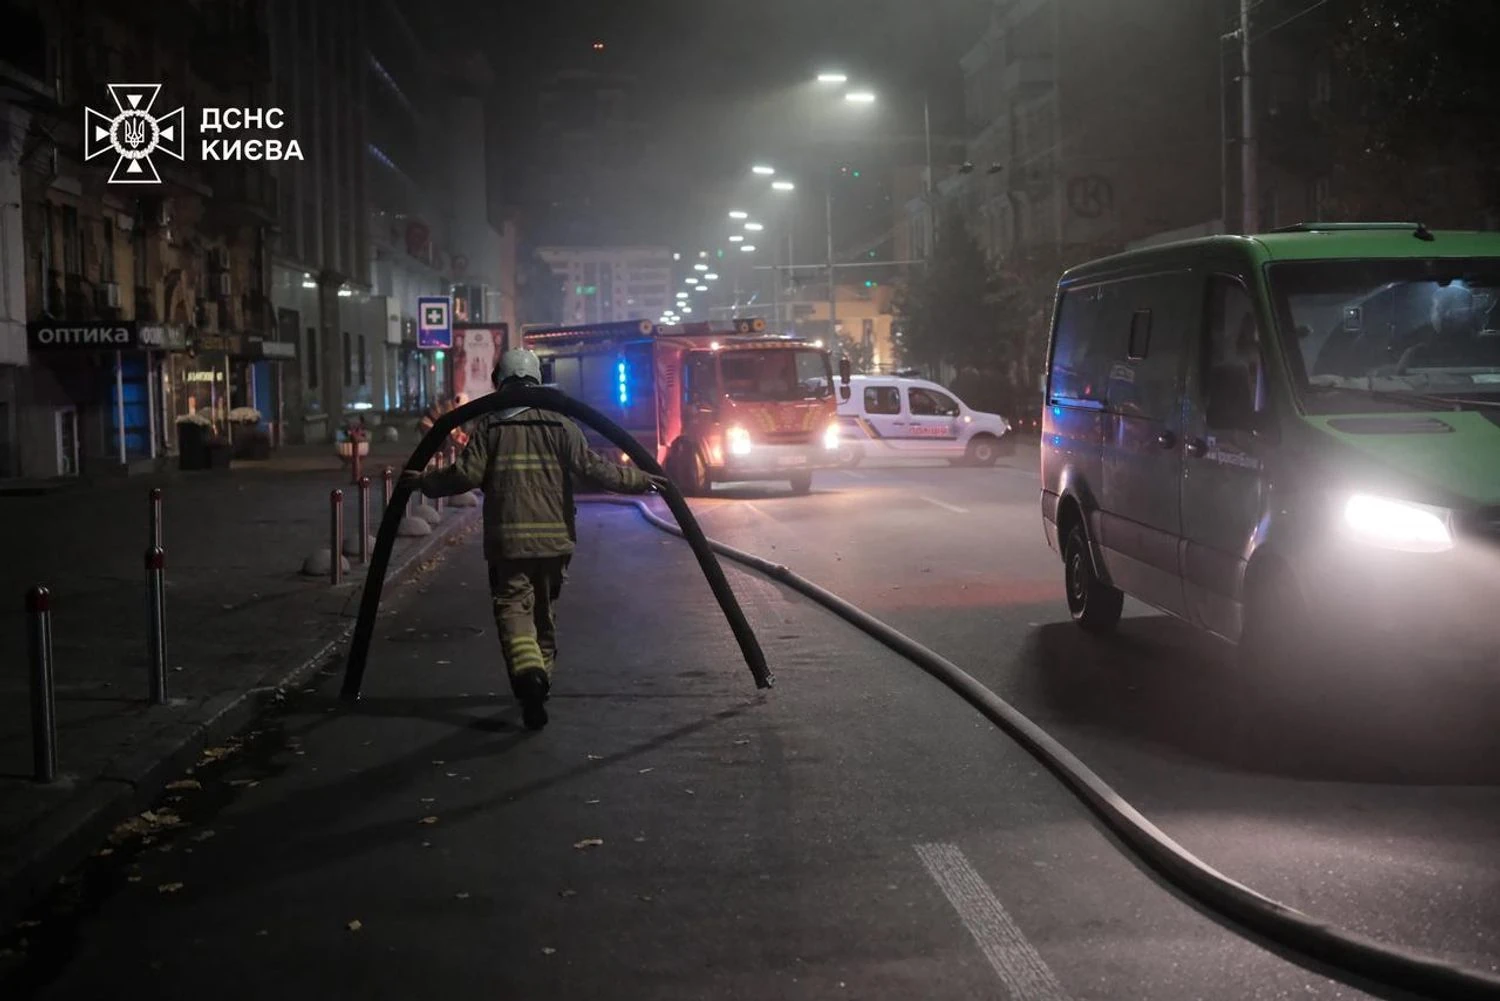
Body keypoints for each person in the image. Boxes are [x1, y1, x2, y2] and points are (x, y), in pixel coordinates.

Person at [404, 349, 663, 730]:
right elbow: (597, 469)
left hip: (508, 542)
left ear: (501, 382)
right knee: (544, 614)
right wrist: (644, 480)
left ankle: (529, 678)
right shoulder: (562, 425)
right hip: (556, 541)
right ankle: (540, 684)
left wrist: (425, 481)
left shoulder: (490, 427)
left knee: (513, 610)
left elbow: (465, 475)